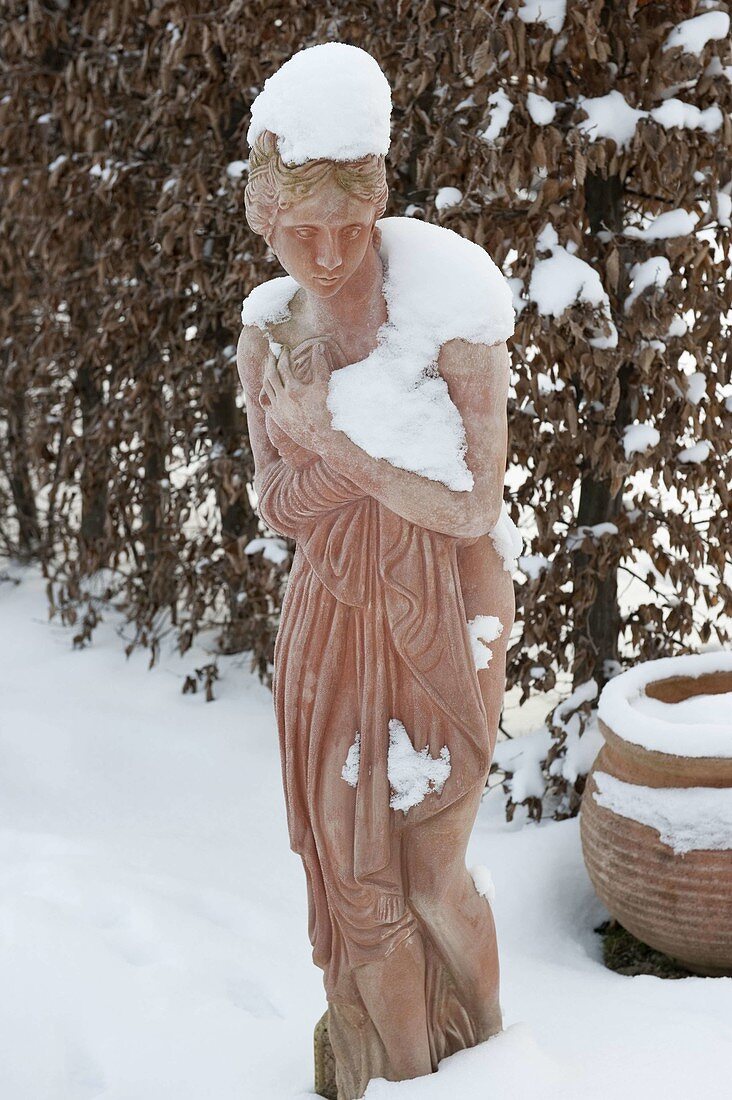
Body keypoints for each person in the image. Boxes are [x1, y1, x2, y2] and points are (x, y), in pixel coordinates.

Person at [236, 44, 515, 1099]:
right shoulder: (269, 331)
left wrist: (338, 447)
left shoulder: (450, 310)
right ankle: (397, 1076)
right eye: (299, 229)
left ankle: (488, 1051)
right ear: (266, 217)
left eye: (349, 225)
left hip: (439, 614)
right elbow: (275, 501)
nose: (326, 250)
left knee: (434, 873)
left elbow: (469, 505)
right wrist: (322, 461)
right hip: (328, 621)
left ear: (377, 203)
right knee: (357, 879)